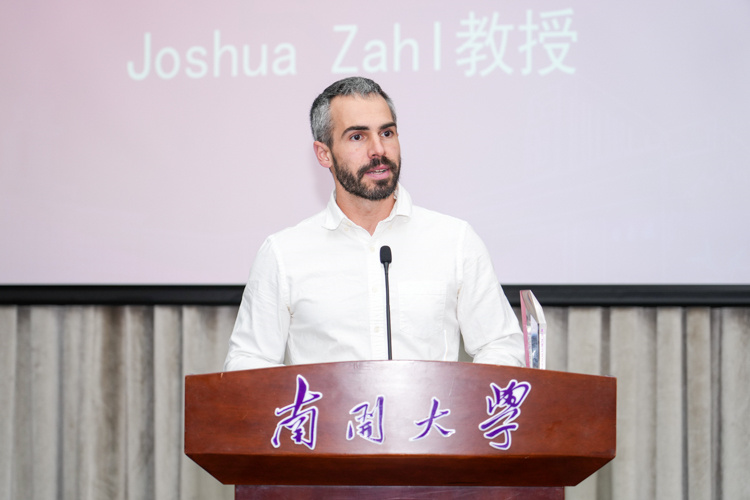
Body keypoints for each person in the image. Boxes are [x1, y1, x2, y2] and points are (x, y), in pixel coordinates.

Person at [223, 77, 524, 371]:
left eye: (387, 133)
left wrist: (460, 397)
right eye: (358, 137)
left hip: (433, 408)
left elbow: (501, 345)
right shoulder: (283, 253)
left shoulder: (454, 240)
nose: (378, 150)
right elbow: (247, 362)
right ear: (324, 154)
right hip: (328, 408)